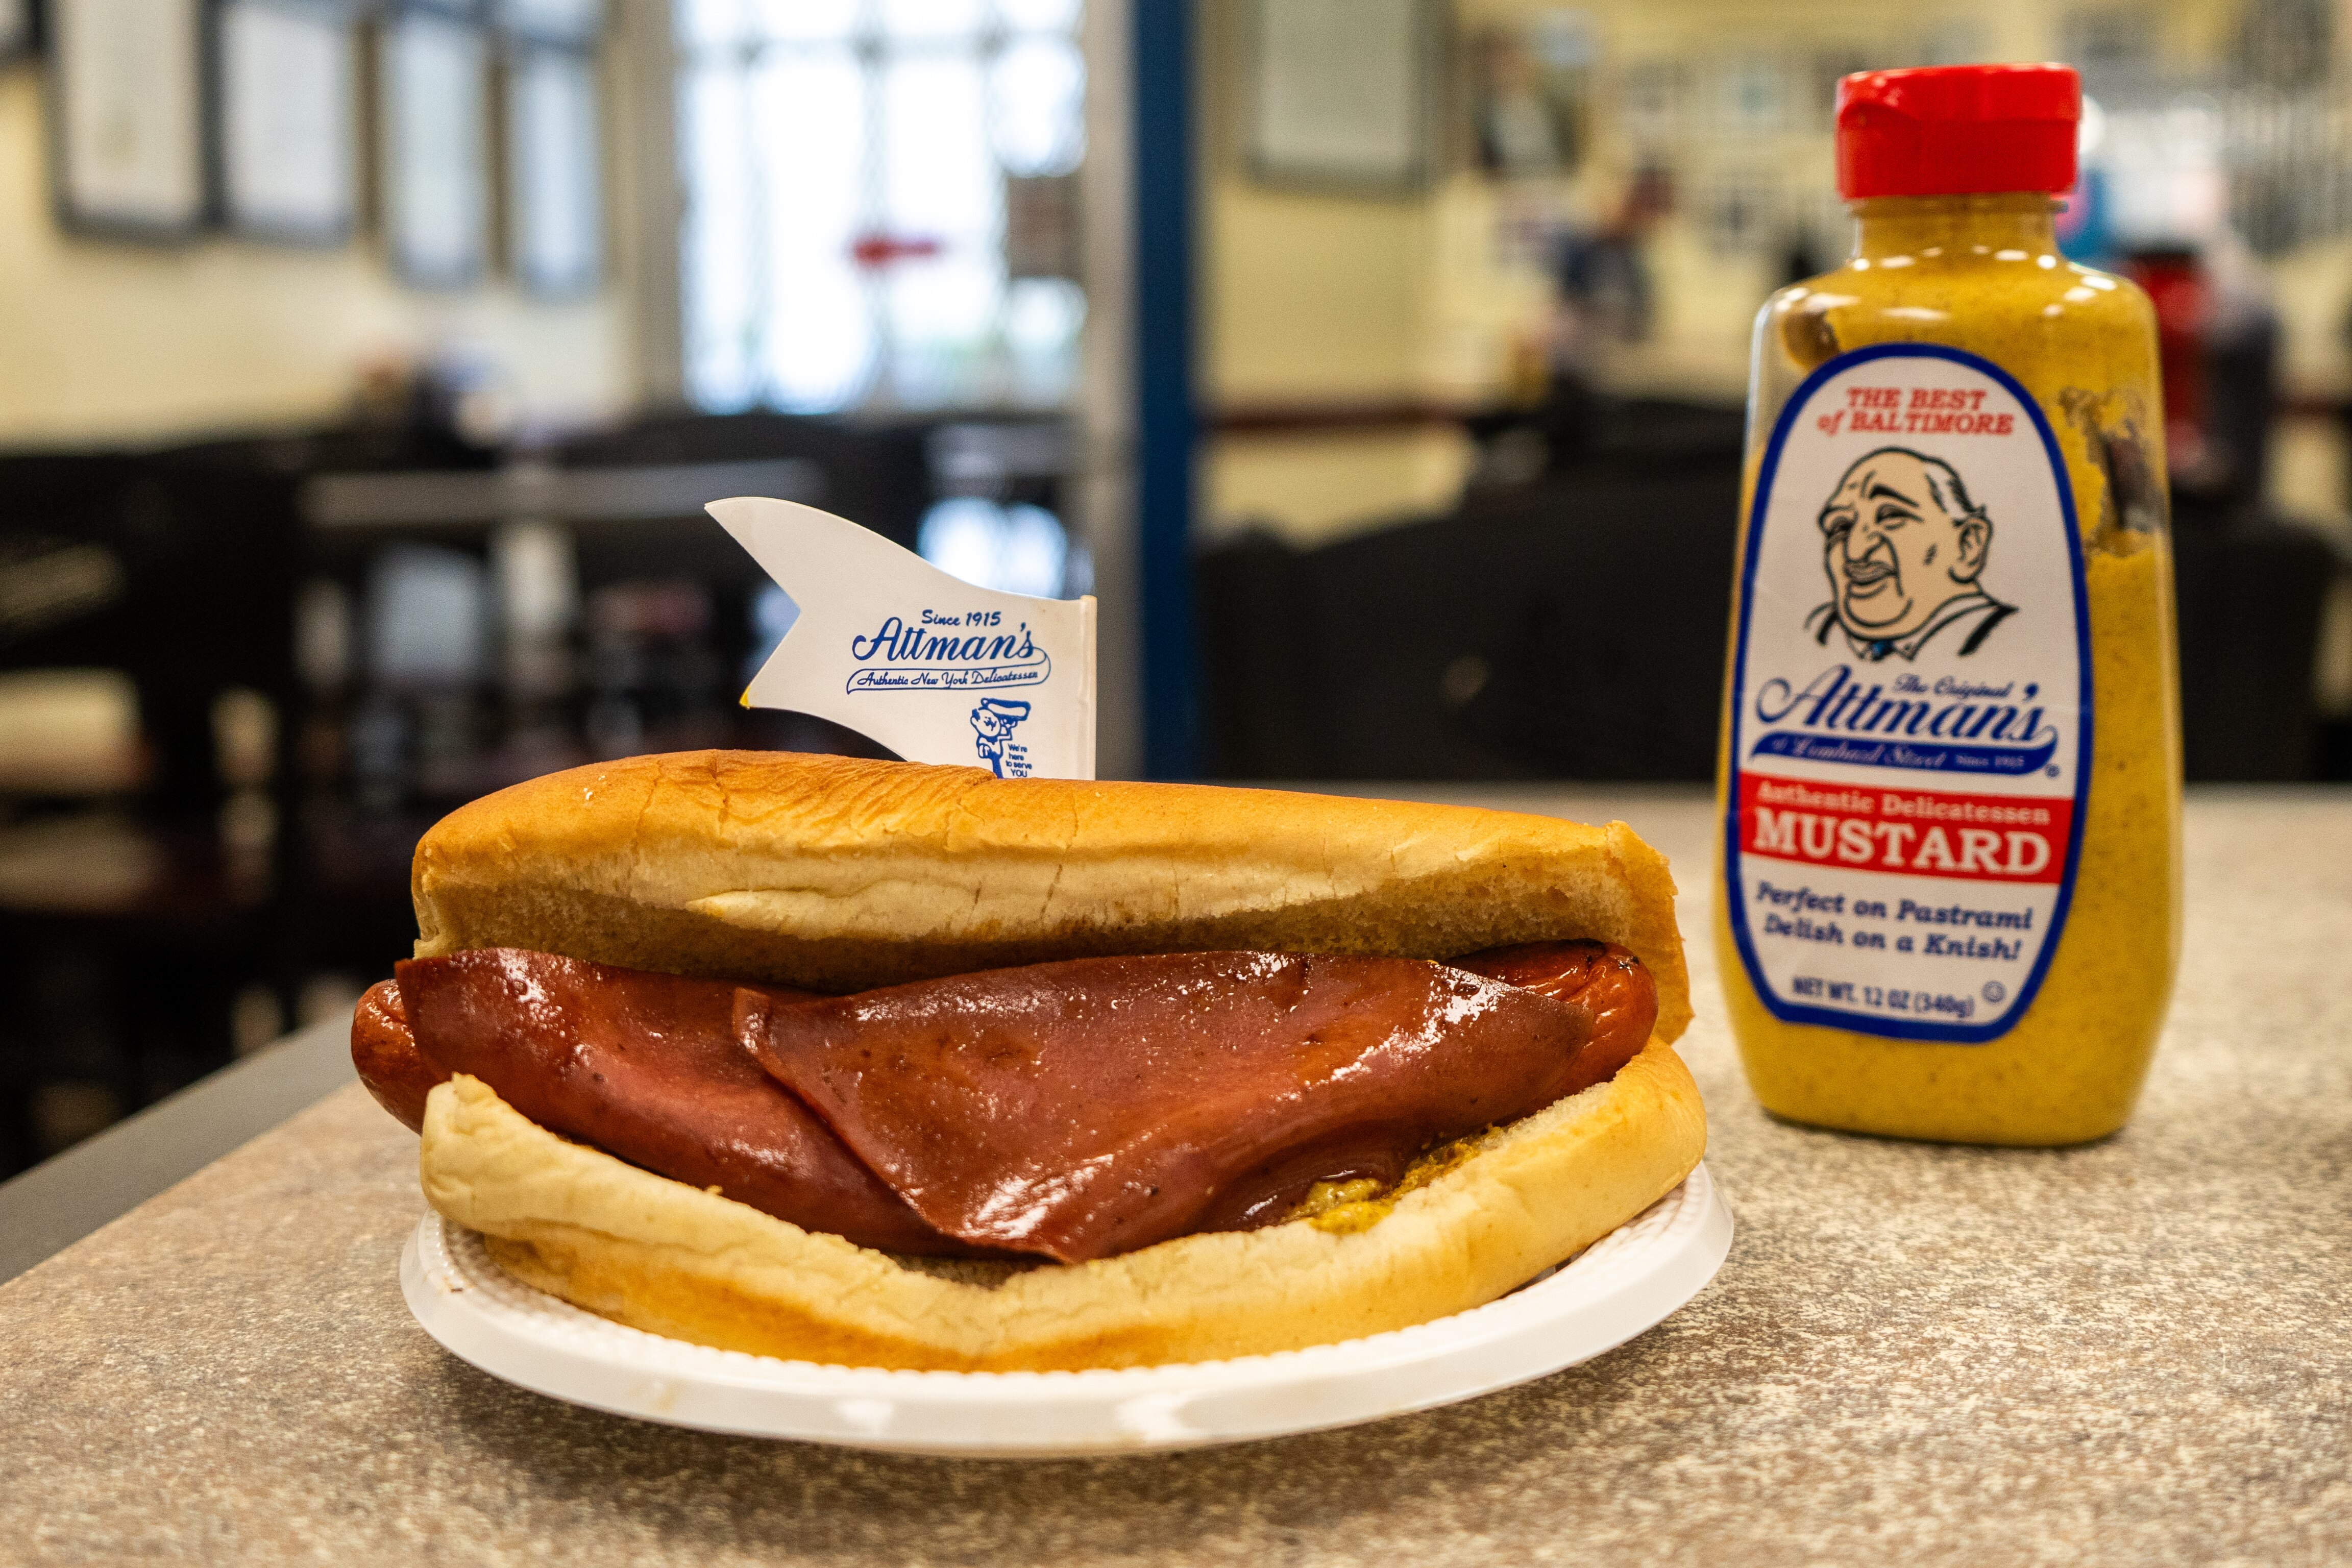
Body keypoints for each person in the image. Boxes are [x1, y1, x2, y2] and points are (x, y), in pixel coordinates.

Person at [1803, 447, 2015, 660]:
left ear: (1968, 545)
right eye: (1840, 527)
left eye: (1891, 516)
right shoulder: (1818, 630)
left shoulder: (2009, 637)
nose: (1855, 551)